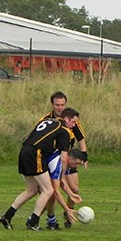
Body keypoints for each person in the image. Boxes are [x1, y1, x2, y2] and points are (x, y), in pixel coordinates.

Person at [0, 108, 80, 231]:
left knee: (31, 190)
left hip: (24, 151)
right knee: (48, 190)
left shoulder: (49, 121)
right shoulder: (64, 130)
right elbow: (64, 158)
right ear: (66, 119)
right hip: (35, 154)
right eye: (73, 122)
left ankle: (7, 216)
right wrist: (62, 174)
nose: (74, 125)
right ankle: (33, 222)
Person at [40, 91, 88, 228]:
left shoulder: (72, 120)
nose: (59, 108)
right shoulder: (46, 120)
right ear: (52, 105)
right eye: (57, 105)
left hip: (68, 158)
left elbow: (81, 139)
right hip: (52, 161)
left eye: (62, 105)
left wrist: (84, 157)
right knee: (52, 192)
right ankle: (50, 219)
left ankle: (68, 212)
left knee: (74, 189)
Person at [43, 148, 85, 230]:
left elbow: (62, 181)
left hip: (44, 171)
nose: (76, 167)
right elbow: (56, 191)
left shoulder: (65, 162)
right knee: (47, 193)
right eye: (76, 163)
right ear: (70, 159)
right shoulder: (58, 165)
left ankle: (36, 219)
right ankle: (46, 220)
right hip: (33, 168)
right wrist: (67, 209)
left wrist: (71, 194)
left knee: (48, 194)